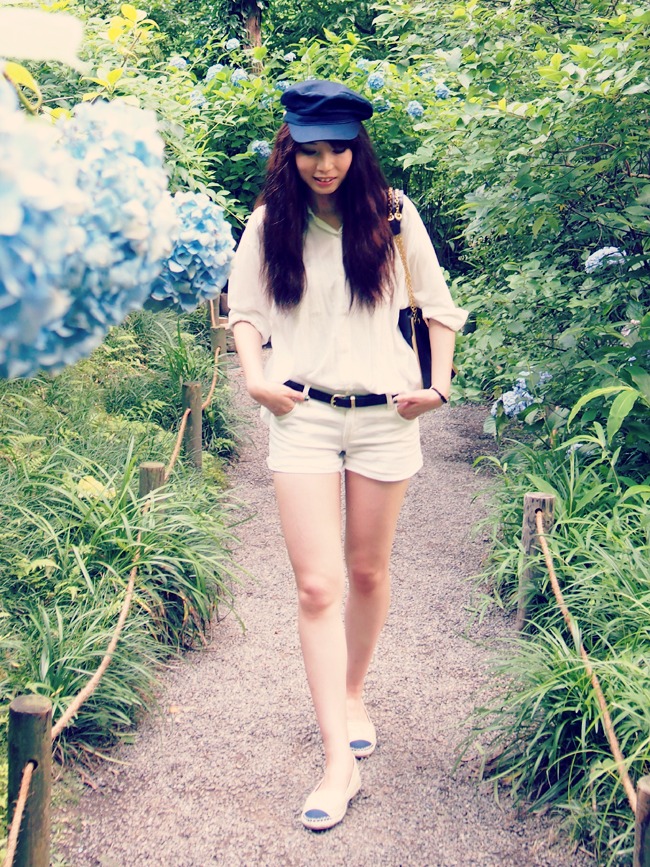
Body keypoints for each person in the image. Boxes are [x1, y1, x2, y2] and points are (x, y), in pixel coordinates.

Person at [228, 79, 467, 831]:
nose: (324, 164)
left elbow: (438, 307)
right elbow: (245, 312)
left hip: (385, 418)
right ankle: (338, 761)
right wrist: (256, 380)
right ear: (290, 151)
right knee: (316, 586)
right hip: (301, 415)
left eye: (337, 149)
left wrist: (438, 385)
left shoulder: (393, 216)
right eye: (310, 150)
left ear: (357, 149)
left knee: (366, 572)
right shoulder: (271, 221)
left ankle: (354, 690)